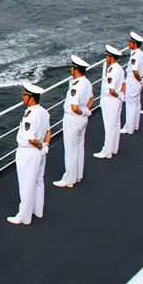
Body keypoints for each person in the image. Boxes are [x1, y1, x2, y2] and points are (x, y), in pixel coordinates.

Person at [7, 83, 51, 224]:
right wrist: (45, 146)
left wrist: (41, 146)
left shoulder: (30, 116)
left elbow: (31, 139)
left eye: (25, 95)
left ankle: (23, 217)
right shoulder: (44, 112)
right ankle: (38, 210)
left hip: (28, 152)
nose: (23, 97)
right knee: (38, 181)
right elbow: (48, 132)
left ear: (31, 98)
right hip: (40, 152)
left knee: (26, 184)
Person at [54, 55, 93, 188]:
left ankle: (69, 179)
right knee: (79, 147)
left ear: (76, 69)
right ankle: (78, 175)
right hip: (82, 120)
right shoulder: (87, 82)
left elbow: (74, 107)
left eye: (72, 67)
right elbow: (91, 98)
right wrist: (86, 110)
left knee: (70, 149)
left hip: (73, 119)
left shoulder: (76, 86)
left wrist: (82, 111)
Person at [94, 45, 124, 159]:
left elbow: (111, 90)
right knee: (116, 124)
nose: (106, 58)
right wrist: (121, 95)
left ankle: (107, 151)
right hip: (117, 100)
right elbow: (124, 84)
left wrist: (117, 95)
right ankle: (114, 148)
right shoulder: (120, 68)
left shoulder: (112, 70)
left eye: (107, 56)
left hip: (111, 99)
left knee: (109, 126)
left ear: (111, 57)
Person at [121, 32, 143, 135]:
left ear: (134, 43)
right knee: (136, 103)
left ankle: (129, 128)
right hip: (138, 81)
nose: (129, 43)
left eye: (130, 42)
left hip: (133, 81)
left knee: (130, 104)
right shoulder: (142, 53)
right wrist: (142, 79)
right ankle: (135, 124)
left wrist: (139, 80)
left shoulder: (135, 55)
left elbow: (135, 72)